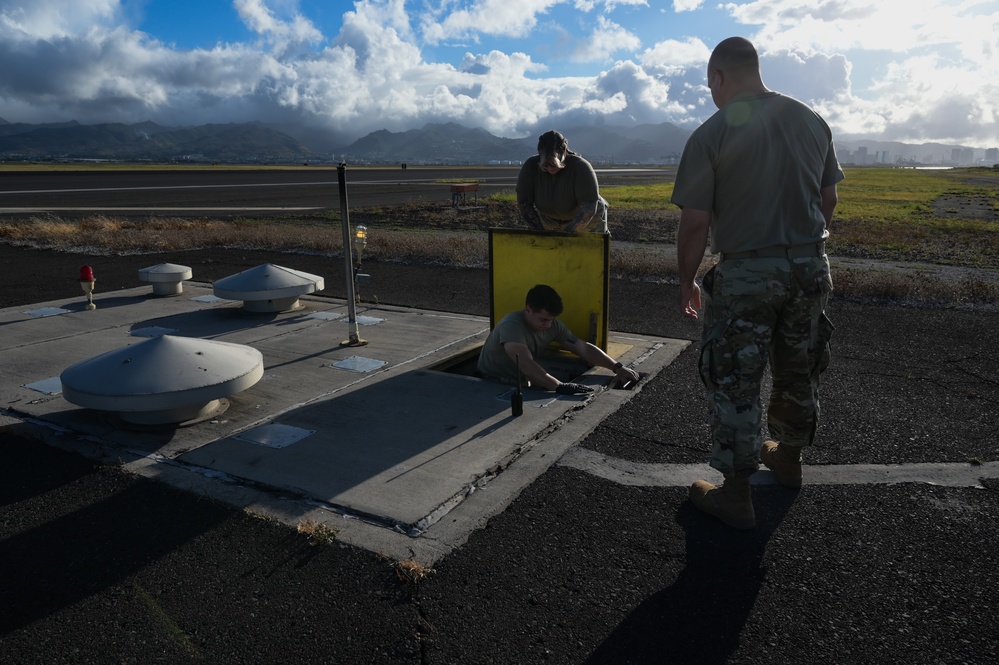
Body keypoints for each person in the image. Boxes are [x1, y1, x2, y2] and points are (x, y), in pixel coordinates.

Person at [670, 37, 843, 530]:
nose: (712, 94)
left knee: (734, 379)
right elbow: (827, 200)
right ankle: (788, 458)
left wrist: (686, 282)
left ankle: (736, 493)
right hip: (811, 267)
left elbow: (696, 222)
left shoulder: (713, 132)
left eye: (710, 86)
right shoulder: (811, 121)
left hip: (748, 274)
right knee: (799, 367)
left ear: (719, 77)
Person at [477, 284, 639, 393]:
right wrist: (559, 386)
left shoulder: (553, 326)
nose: (548, 325)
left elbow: (582, 348)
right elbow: (525, 363)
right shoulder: (511, 326)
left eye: (551, 320)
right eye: (544, 320)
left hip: (518, 381)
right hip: (490, 384)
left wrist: (617, 367)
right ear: (528, 310)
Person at [516, 130, 609, 233]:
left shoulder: (581, 167)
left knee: (590, 247)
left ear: (564, 150)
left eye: (554, 163)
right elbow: (524, 204)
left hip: (588, 220)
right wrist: (541, 233)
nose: (550, 168)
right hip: (548, 219)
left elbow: (589, 208)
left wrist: (567, 235)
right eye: (546, 164)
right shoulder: (531, 166)